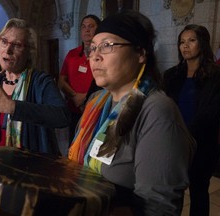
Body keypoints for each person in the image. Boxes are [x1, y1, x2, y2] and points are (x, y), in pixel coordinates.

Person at [68, 10, 196, 215]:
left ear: (140, 53)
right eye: (92, 48)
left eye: (107, 45)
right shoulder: (96, 101)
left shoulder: (157, 110)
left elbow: (158, 207)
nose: (95, 56)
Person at [0, 18, 70, 155]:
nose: (8, 50)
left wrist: (13, 107)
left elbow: (62, 117)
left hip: (32, 167)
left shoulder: (41, 82)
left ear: (29, 53)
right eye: (4, 42)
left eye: (17, 45)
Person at [163, 24, 220, 216]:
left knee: (198, 192)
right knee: (173, 193)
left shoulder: (216, 76)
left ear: (202, 44)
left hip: (201, 144)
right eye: (182, 42)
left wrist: (188, 135)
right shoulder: (171, 75)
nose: (185, 46)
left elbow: (212, 112)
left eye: (191, 40)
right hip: (173, 143)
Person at [58, 14, 101, 142]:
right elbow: (61, 82)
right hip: (74, 111)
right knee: (73, 146)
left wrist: (86, 98)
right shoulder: (72, 54)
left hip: (96, 111)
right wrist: (75, 96)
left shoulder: (103, 55)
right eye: (83, 27)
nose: (86, 30)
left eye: (90, 26)